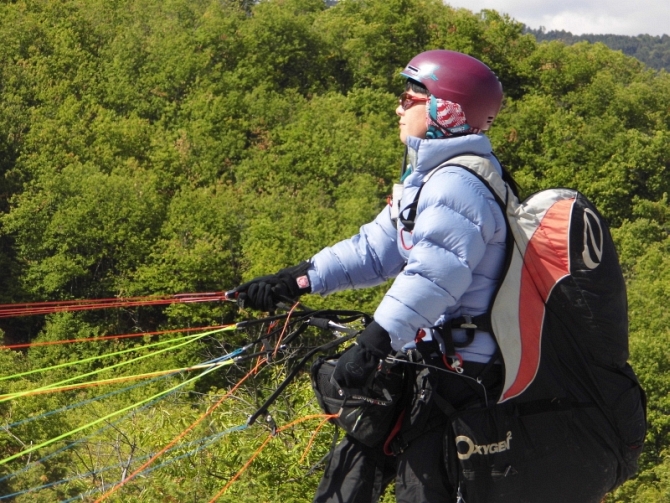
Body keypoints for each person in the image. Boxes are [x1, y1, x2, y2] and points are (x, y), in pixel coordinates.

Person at [233, 50, 509, 502]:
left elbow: (434, 275)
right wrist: (295, 281)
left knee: (421, 490)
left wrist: (374, 342)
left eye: (408, 98)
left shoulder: (458, 186)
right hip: (427, 361)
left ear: (445, 110)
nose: (398, 108)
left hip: (462, 375)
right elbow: (373, 251)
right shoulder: (429, 179)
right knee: (349, 472)